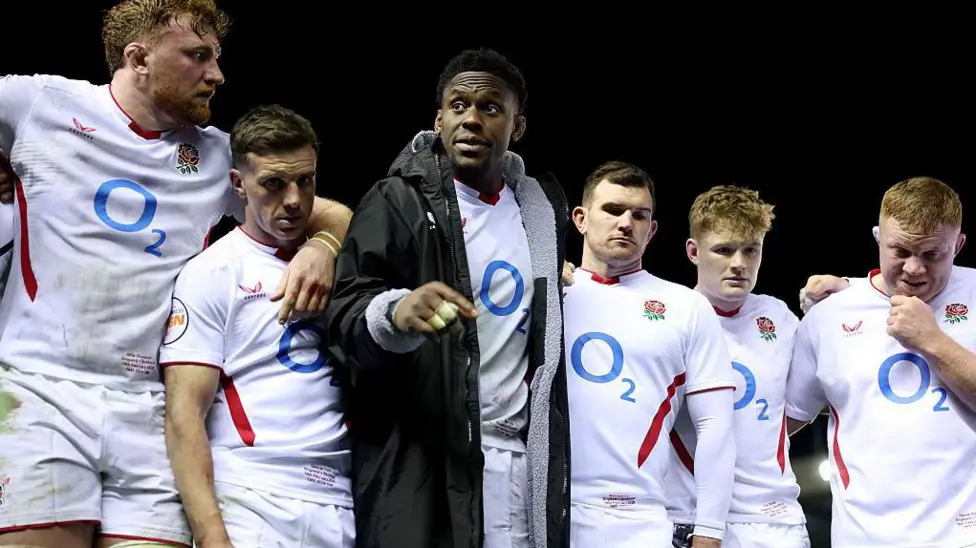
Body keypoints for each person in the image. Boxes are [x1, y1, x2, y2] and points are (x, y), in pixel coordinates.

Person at [0, 2, 351, 546]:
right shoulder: (40, 103)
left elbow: (333, 212)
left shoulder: (216, 156)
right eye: (198, 56)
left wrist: (324, 246)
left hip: (151, 412)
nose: (217, 74)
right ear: (139, 58)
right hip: (39, 391)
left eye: (216, 56)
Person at [323, 48, 571, 548]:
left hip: (517, 461)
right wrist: (393, 314)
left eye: (490, 108)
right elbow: (342, 317)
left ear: (517, 126)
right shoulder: (397, 200)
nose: (472, 120)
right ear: (438, 119)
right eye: (458, 106)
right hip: (424, 459)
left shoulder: (541, 217)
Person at [160, 104, 354, 548]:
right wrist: (211, 535)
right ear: (238, 185)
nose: (294, 199)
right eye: (273, 184)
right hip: (252, 500)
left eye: (306, 181)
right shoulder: (211, 272)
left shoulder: (344, 262)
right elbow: (184, 412)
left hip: (342, 500)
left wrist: (326, 244)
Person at [785, 176, 976, 546]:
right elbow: (781, 419)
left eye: (933, 254)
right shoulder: (829, 315)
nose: (914, 269)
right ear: (878, 238)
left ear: (959, 245)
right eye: (900, 252)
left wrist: (932, 341)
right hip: (864, 537)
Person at [562, 161, 735, 548]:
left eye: (639, 215)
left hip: (641, 518)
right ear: (581, 218)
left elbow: (715, 428)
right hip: (549, 508)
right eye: (612, 210)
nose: (626, 223)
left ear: (652, 229)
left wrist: (709, 530)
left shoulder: (686, 306)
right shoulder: (549, 294)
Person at [665, 185, 810, 548]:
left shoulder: (779, 318)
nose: (739, 264)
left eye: (751, 250)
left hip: (774, 519)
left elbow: (803, 406)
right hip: (688, 516)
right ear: (693, 251)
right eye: (724, 250)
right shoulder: (669, 318)